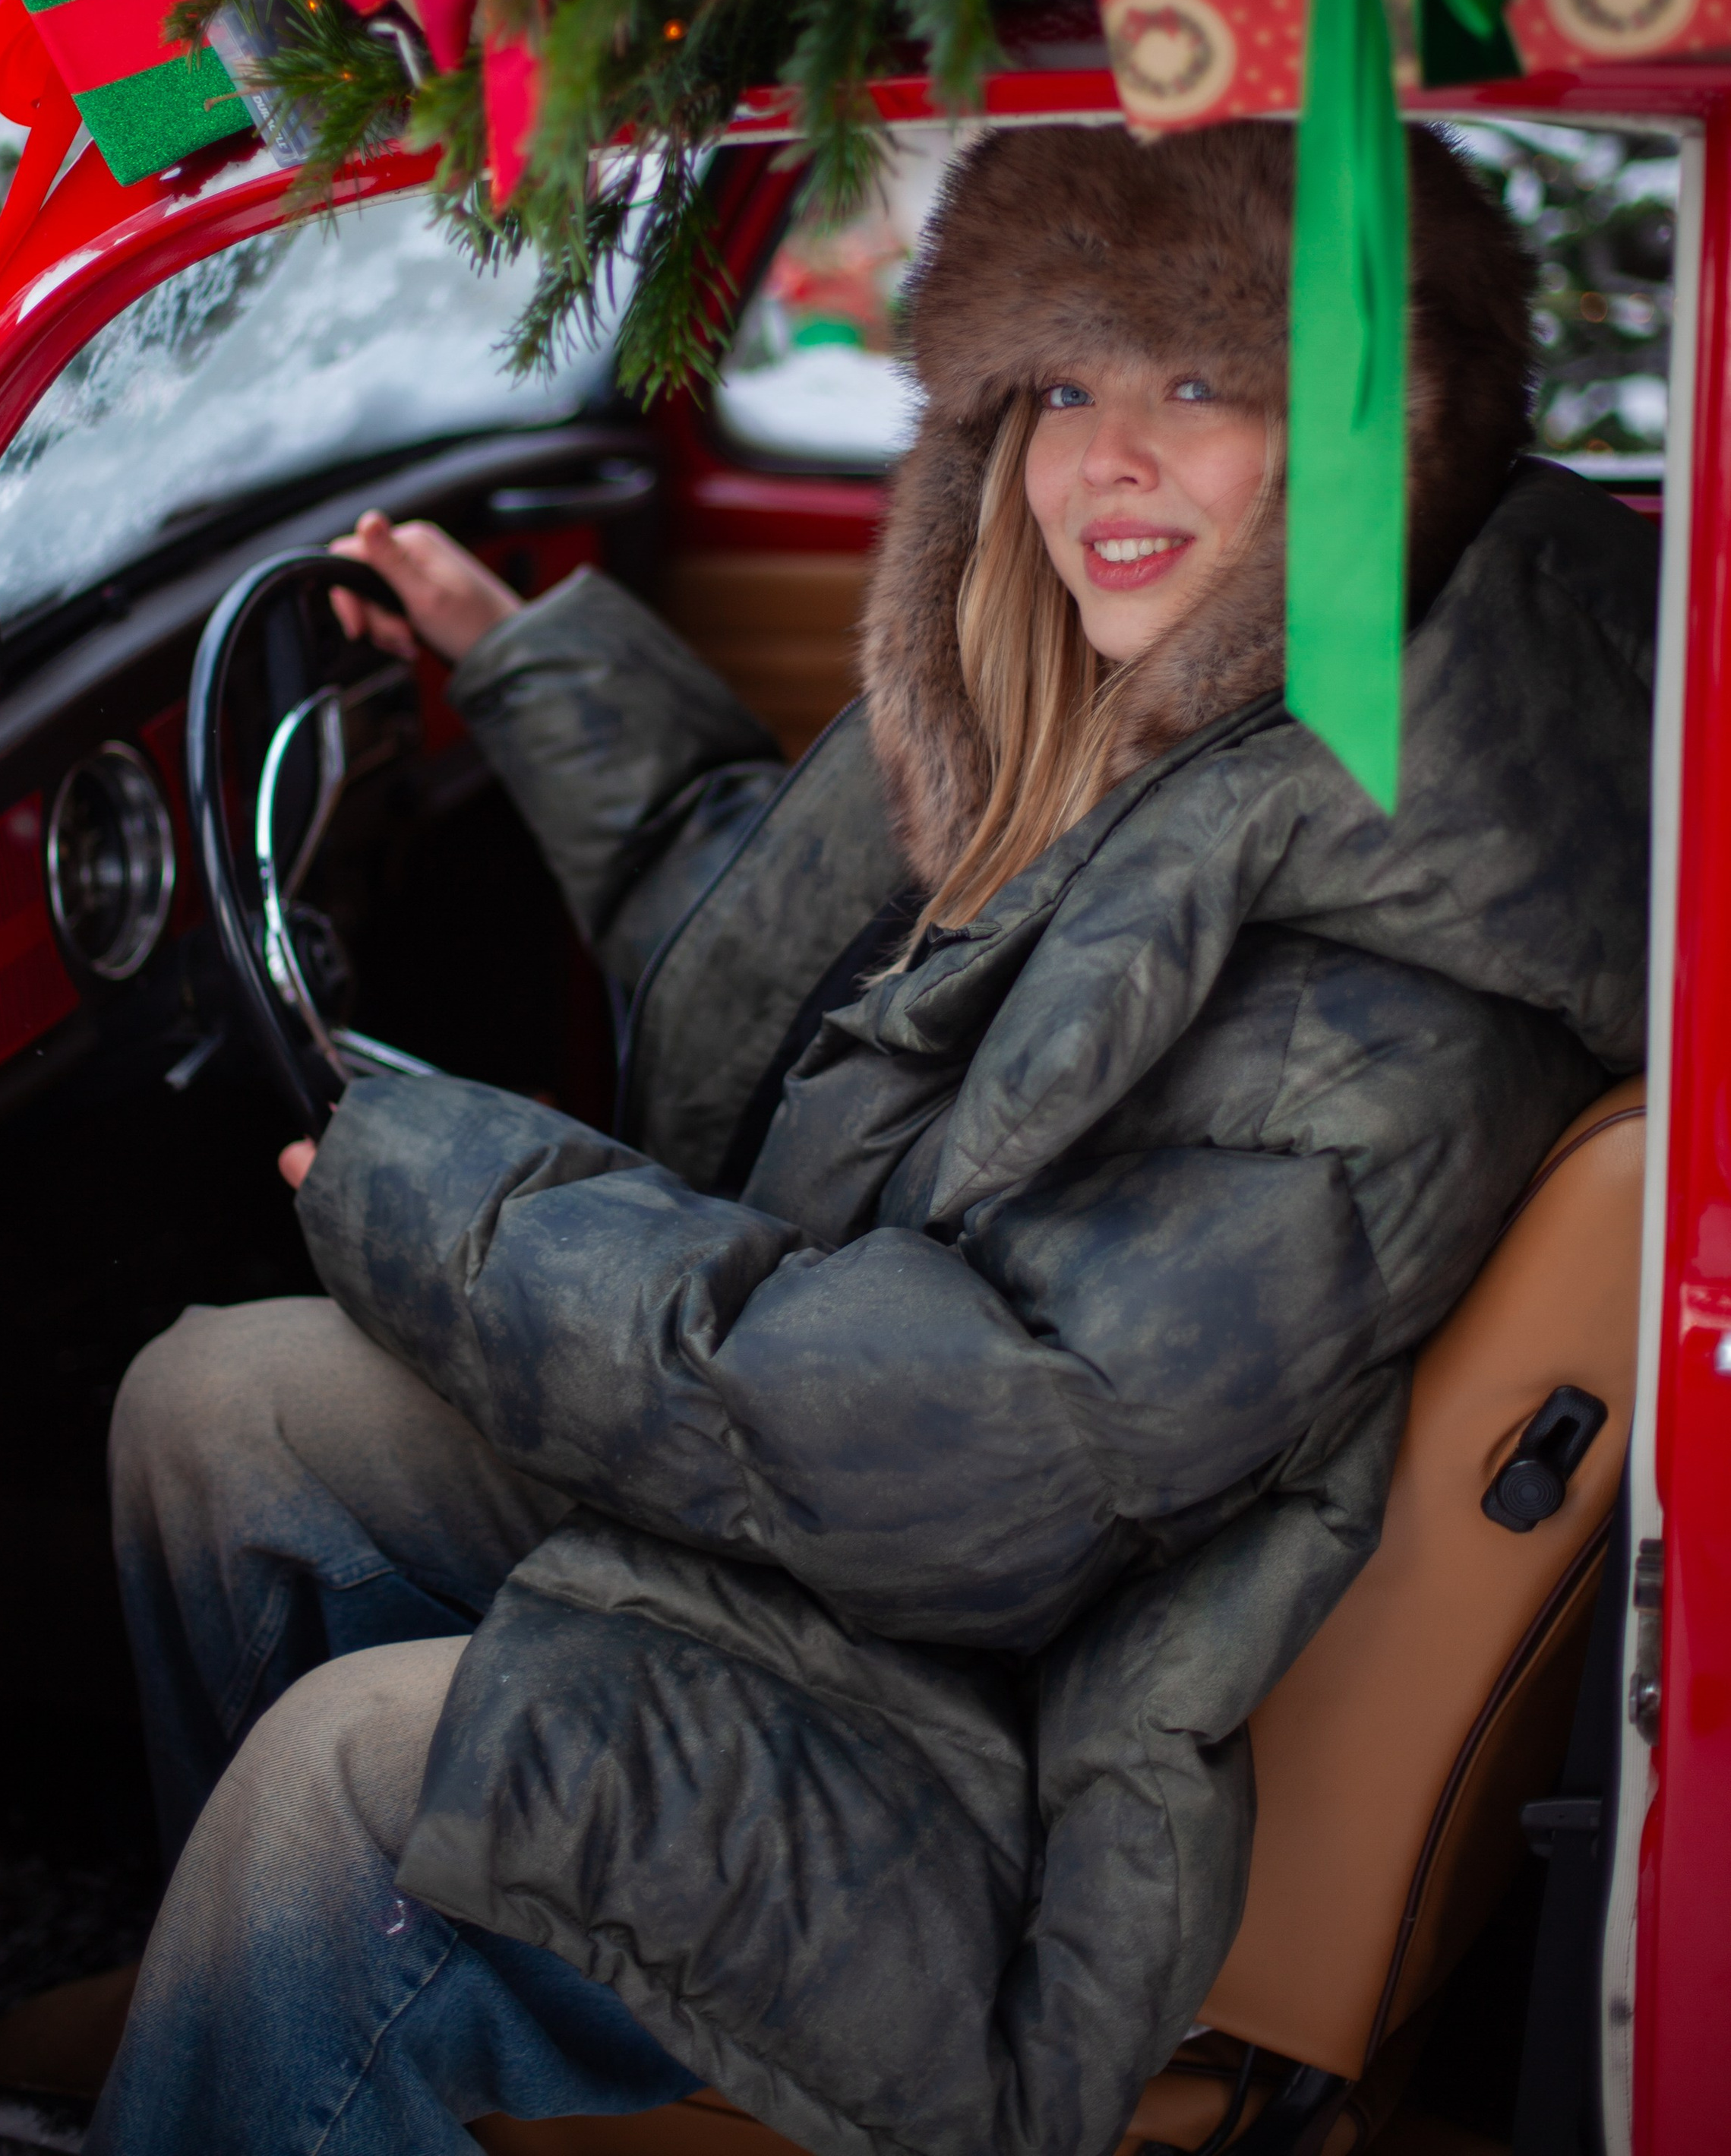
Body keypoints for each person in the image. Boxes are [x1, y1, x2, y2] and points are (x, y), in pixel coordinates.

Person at [84, 122, 1654, 2156]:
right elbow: (816, 1001)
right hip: (873, 1586)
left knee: (346, 1772)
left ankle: (317, 1967)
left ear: (1375, 433)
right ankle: (283, 2004)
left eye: (1202, 383)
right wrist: (531, 661)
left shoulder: (1381, 976)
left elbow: (999, 1455)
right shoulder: (1183, 729)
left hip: (1008, 1767)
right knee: (220, 1409)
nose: (1106, 465)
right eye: (1061, 387)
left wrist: (464, 1223)